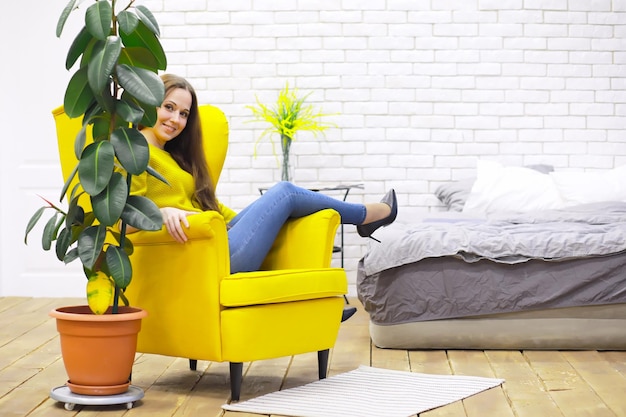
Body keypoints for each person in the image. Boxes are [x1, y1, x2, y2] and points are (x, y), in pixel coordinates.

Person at [128, 74, 398, 322]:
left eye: (184, 114)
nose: (175, 120)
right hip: (200, 259)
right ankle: (367, 215)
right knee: (285, 193)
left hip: (215, 245)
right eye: (169, 107)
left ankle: (311, 304)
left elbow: (211, 208)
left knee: (282, 210)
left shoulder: (176, 158)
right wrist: (161, 213)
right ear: (150, 102)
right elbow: (120, 222)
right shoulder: (134, 150)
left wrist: (250, 224)